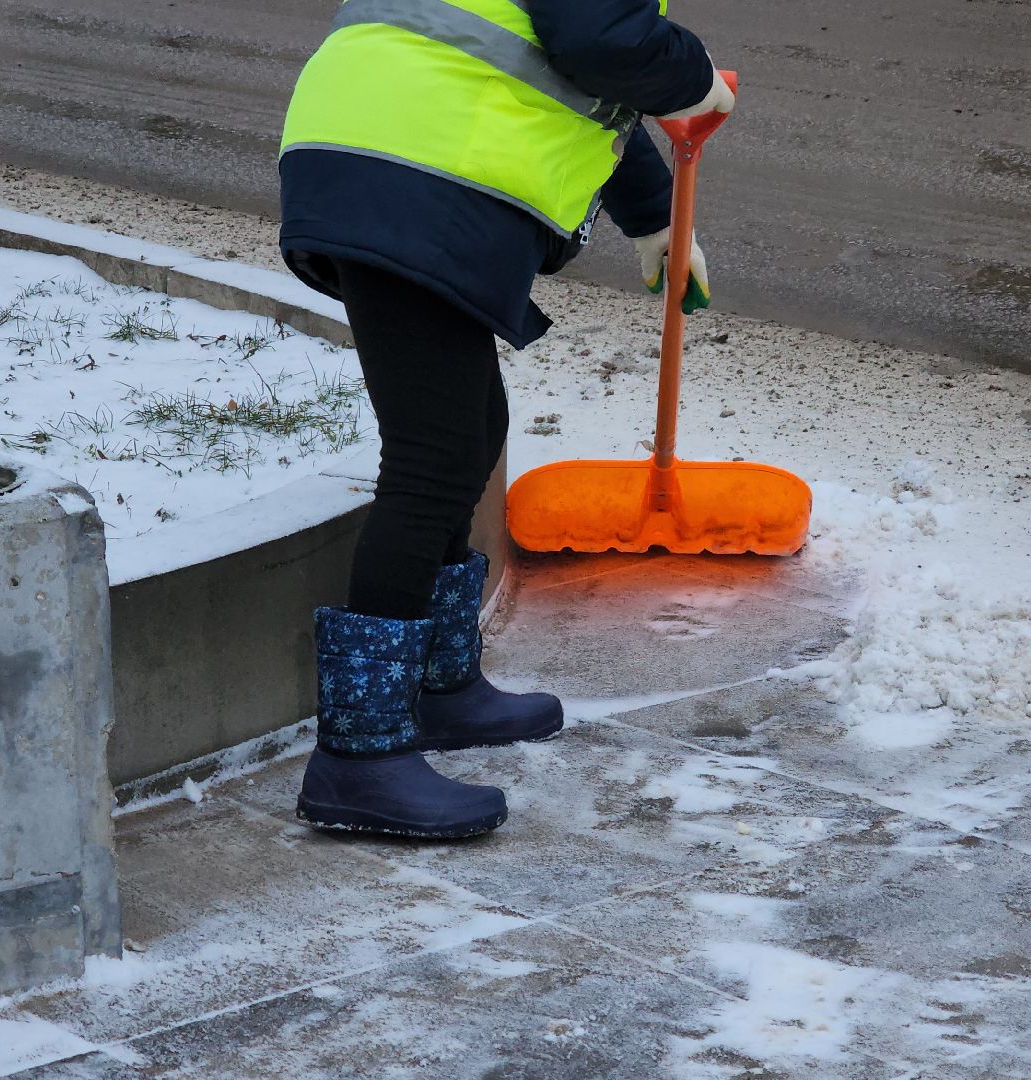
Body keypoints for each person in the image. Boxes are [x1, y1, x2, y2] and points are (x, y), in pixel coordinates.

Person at [277, 0, 735, 839]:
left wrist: (656, 221)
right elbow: (604, 44)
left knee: (471, 431)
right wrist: (693, 75)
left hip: (389, 150)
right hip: (417, 164)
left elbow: (570, 80)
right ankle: (358, 757)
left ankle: (442, 687)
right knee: (433, 458)